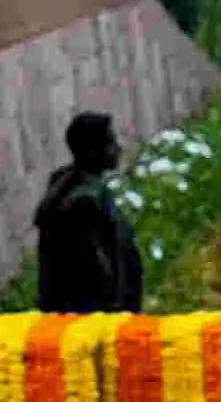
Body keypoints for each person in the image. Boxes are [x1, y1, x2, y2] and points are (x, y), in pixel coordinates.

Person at [32, 114, 145, 313]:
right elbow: (98, 269)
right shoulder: (85, 201)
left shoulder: (66, 183)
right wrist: (116, 308)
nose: (118, 149)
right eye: (111, 143)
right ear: (92, 153)